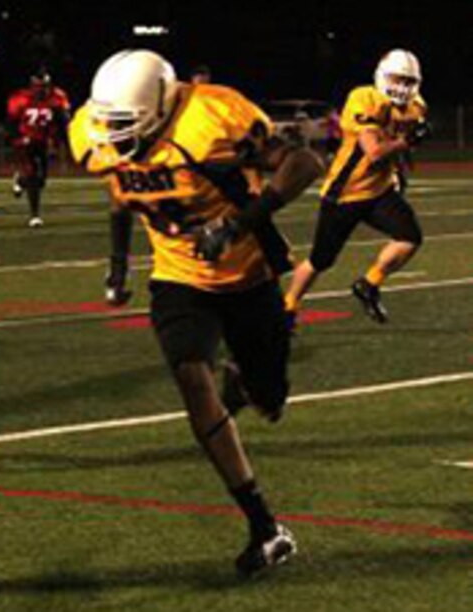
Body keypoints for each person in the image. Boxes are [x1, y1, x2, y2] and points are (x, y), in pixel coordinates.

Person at [70, 49, 323, 576]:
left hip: (249, 276)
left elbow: (304, 163)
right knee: (190, 375)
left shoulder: (211, 119)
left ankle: (244, 387)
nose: (115, 135)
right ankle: (264, 526)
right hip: (178, 277)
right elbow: (122, 191)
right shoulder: (95, 131)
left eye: (127, 124)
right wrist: (117, 265)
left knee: (269, 400)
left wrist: (235, 225)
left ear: (161, 108)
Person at [283, 49, 428, 325]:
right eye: (397, 79)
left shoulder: (416, 107)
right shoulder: (364, 99)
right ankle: (288, 307)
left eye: (408, 81)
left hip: (379, 191)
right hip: (345, 193)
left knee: (410, 237)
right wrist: (406, 143)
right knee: (320, 260)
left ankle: (369, 285)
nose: (402, 87)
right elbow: (373, 152)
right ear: (382, 76)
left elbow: (400, 146)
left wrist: (401, 167)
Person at [6, 69, 71, 227]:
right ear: (32, 86)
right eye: (39, 86)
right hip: (25, 141)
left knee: (41, 180)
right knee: (33, 175)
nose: (42, 90)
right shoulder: (20, 99)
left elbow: (62, 122)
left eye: (45, 86)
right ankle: (34, 215)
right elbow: (11, 123)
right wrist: (18, 138)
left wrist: (60, 142)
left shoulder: (57, 98)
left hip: (43, 141)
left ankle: (21, 181)